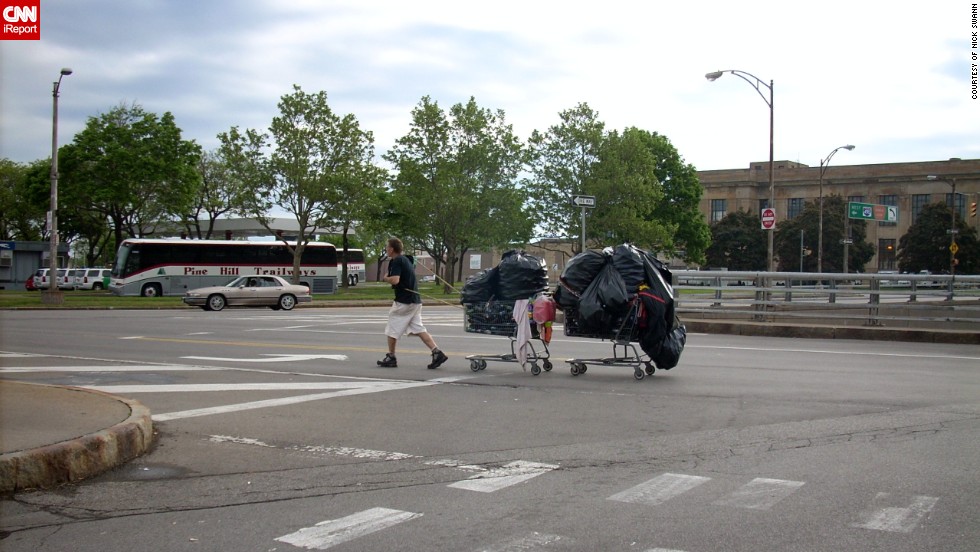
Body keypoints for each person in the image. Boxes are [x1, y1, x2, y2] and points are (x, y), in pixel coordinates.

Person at [377, 237, 448, 369]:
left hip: (404, 301)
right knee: (419, 328)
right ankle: (437, 352)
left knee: (392, 328)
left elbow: (395, 280)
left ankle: (391, 357)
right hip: (415, 301)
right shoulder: (406, 259)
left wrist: (386, 278)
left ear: (392, 249)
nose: (386, 249)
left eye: (387, 247)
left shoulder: (397, 261)